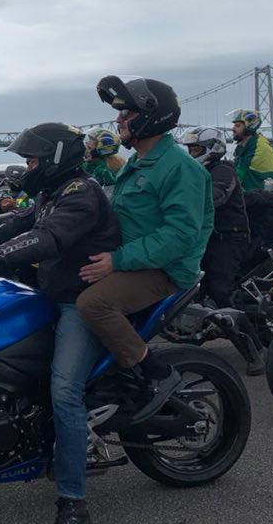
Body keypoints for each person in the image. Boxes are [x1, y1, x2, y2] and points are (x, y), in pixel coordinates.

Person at [0, 123, 121, 524]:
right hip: (52, 293)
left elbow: (46, 239)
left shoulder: (81, 195)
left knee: (64, 392)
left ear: (55, 158)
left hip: (77, 303)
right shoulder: (53, 193)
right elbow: (14, 225)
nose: (27, 167)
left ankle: (73, 499)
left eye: (31, 159)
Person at [78, 76, 212, 424]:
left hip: (163, 270)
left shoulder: (181, 169)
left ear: (152, 116)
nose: (119, 119)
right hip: (137, 260)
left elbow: (179, 235)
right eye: (119, 113)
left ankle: (155, 373)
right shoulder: (138, 162)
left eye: (127, 112)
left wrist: (117, 261)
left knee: (93, 303)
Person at [180, 127, 263, 374]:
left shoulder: (223, 170)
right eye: (190, 149)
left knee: (219, 289)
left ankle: (255, 351)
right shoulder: (195, 171)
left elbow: (215, 197)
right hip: (205, 238)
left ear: (212, 148)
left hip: (229, 237)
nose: (192, 153)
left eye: (196, 149)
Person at [229, 109, 273, 191]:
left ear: (249, 127)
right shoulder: (246, 144)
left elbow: (240, 173)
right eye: (234, 125)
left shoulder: (257, 147)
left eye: (237, 126)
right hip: (263, 189)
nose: (233, 129)